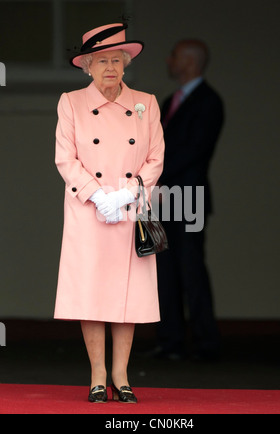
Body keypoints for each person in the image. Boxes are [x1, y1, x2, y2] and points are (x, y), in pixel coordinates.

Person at [54, 23, 165, 403]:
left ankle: (122, 374)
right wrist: (97, 195)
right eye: (102, 60)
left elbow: (155, 158)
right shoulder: (71, 102)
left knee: (126, 294)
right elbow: (65, 159)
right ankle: (98, 374)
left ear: (126, 63)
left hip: (129, 209)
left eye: (117, 59)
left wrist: (127, 194)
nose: (111, 67)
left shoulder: (146, 102)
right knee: (92, 290)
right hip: (89, 209)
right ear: (87, 65)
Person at [156, 39, 224, 361]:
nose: (169, 60)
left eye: (174, 55)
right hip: (165, 196)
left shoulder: (208, 102)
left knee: (190, 266)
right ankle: (171, 340)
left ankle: (205, 341)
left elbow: (193, 150)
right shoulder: (173, 100)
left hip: (188, 195)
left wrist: (152, 172)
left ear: (190, 61)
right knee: (164, 269)